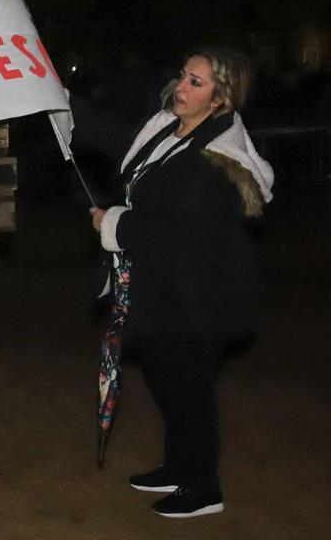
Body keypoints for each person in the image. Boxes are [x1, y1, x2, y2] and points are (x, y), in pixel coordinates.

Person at [89, 48, 273, 519]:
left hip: (201, 294)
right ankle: (178, 467)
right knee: (167, 381)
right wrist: (62, 101)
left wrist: (112, 222)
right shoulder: (169, 130)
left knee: (187, 391)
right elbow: (115, 139)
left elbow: (171, 228)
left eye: (196, 82)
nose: (182, 87)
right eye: (183, 75)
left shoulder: (213, 159)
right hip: (169, 287)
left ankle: (202, 488)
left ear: (220, 99)